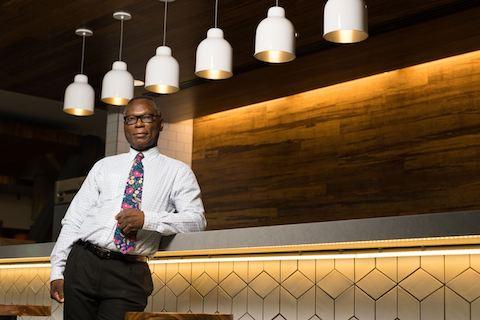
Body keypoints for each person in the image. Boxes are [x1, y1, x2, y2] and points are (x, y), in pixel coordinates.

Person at [50, 96, 206, 320]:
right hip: (83, 263)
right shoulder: (104, 166)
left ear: (160, 123)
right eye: (131, 118)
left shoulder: (178, 172)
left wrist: (147, 220)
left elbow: (196, 221)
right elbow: (74, 219)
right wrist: (57, 270)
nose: (139, 124)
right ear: (125, 125)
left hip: (129, 273)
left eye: (146, 117)